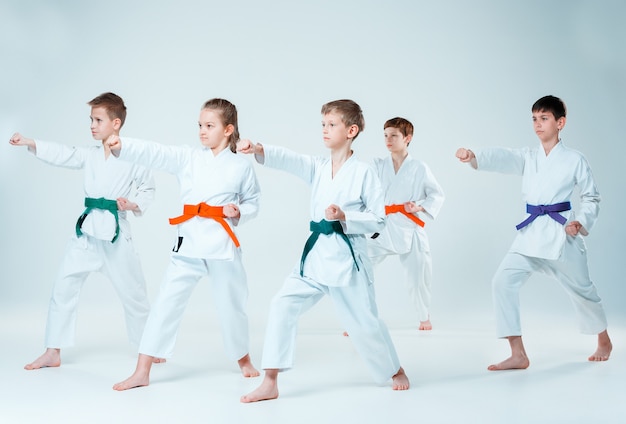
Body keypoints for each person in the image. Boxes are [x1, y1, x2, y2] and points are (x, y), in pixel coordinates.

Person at [239, 99, 410, 403]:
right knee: (281, 304)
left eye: (332, 125)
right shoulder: (318, 166)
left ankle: (395, 369)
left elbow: (379, 220)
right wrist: (259, 148)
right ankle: (271, 380)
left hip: (348, 261)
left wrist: (345, 217)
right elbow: (290, 159)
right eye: (323, 124)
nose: (325, 130)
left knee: (365, 323)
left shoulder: (364, 173)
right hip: (316, 257)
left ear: (351, 130)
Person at [110, 98, 261, 391]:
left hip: (222, 246)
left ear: (228, 129)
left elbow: (253, 200)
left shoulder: (241, 167)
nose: (202, 131)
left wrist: (239, 211)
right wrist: (123, 146)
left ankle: (243, 358)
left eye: (209, 126)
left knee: (233, 304)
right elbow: (156, 152)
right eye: (200, 126)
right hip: (189, 243)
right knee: (165, 303)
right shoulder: (188, 157)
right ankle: (142, 370)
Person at [455, 95, 612, 370]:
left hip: (563, 236)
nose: (537, 125)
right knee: (502, 282)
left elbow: (592, 197)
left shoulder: (575, 159)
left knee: (583, 290)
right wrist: (475, 156)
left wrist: (581, 222)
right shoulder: (529, 157)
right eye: (534, 119)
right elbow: (504, 157)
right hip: (530, 234)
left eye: (544, 118)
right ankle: (518, 353)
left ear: (560, 122)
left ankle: (604, 340)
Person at [9, 92, 156, 370]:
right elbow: (64, 154)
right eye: (91, 119)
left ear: (115, 123)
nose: (91, 125)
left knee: (134, 293)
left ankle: (149, 347)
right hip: (87, 233)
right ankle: (53, 350)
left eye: (98, 120)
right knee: (63, 287)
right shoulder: (89, 155)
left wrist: (133, 203)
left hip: (115, 233)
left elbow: (148, 189)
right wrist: (31, 142)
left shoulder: (134, 155)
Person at [368, 117, 444, 331]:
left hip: (409, 227)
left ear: (407, 138)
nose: (388, 140)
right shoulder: (377, 165)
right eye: (385, 135)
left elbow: (437, 194)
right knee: (360, 268)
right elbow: (364, 188)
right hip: (382, 226)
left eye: (394, 135)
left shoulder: (419, 167)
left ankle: (423, 316)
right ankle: (362, 316)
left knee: (418, 275)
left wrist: (419, 207)